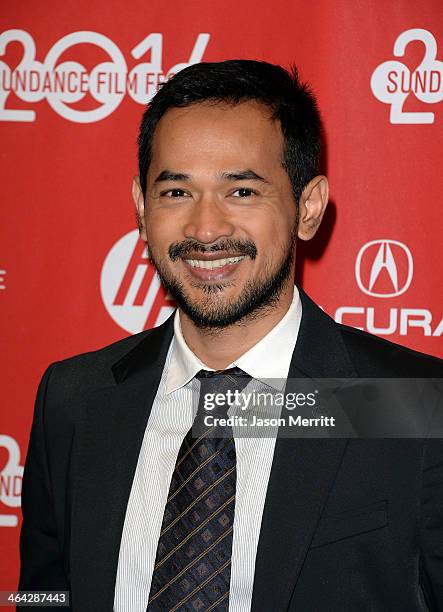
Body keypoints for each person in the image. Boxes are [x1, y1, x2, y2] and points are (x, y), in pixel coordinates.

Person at [19, 60, 443, 611]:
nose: (205, 229)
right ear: (142, 209)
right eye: (175, 193)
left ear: (307, 208)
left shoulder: (410, 404)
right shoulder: (74, 399)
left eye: (241, 191)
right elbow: (42, 594)